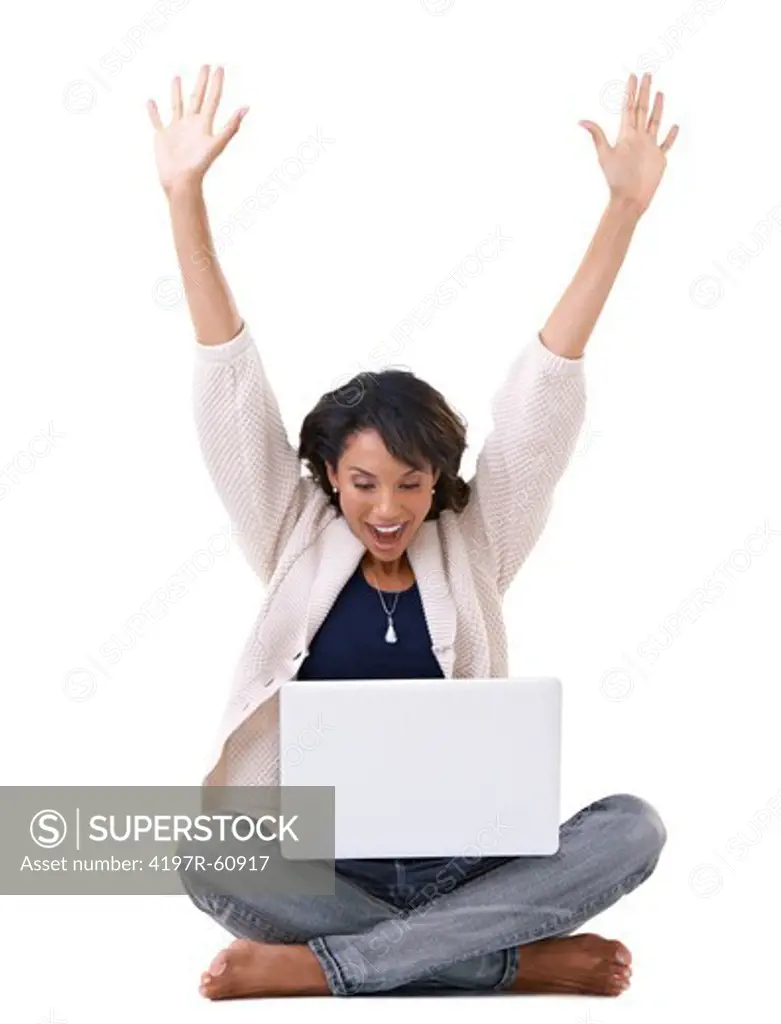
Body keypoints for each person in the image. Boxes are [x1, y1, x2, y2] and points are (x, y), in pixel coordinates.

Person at [147, 65, 679, 1000]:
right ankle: (503, 963)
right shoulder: (291, 534)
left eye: (410, 482)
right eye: (361, 483)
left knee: (633, 824)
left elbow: (541, 396)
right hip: (327, 875)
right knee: (205, 849)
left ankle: (332, 970)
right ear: (327, 479)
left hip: (463, 869)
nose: (387, 507)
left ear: (439, 482)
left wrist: (622, 214)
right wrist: (184, 197)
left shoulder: (473, 541)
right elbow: (229, 383)